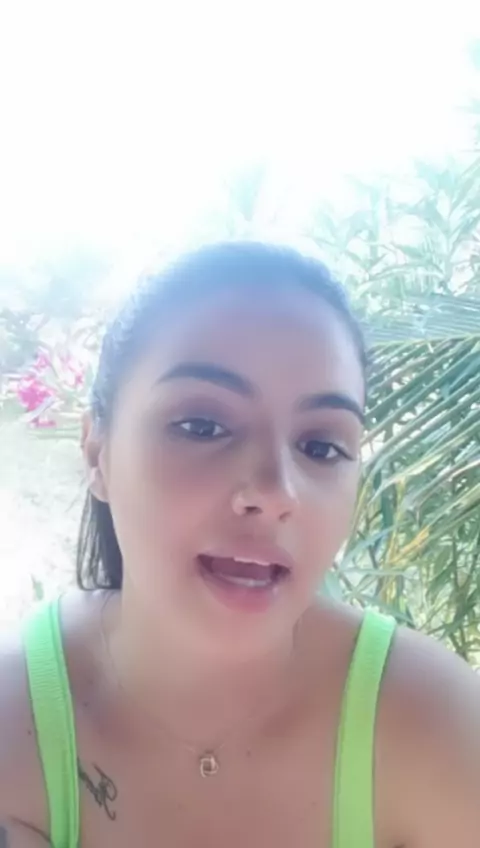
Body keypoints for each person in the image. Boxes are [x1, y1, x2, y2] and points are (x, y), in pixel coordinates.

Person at [0, 241, 479, 848]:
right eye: (202, 426)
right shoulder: (15, 725)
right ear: (98, 452)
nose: (275, 493)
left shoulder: (434, 727)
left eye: (322, 446)